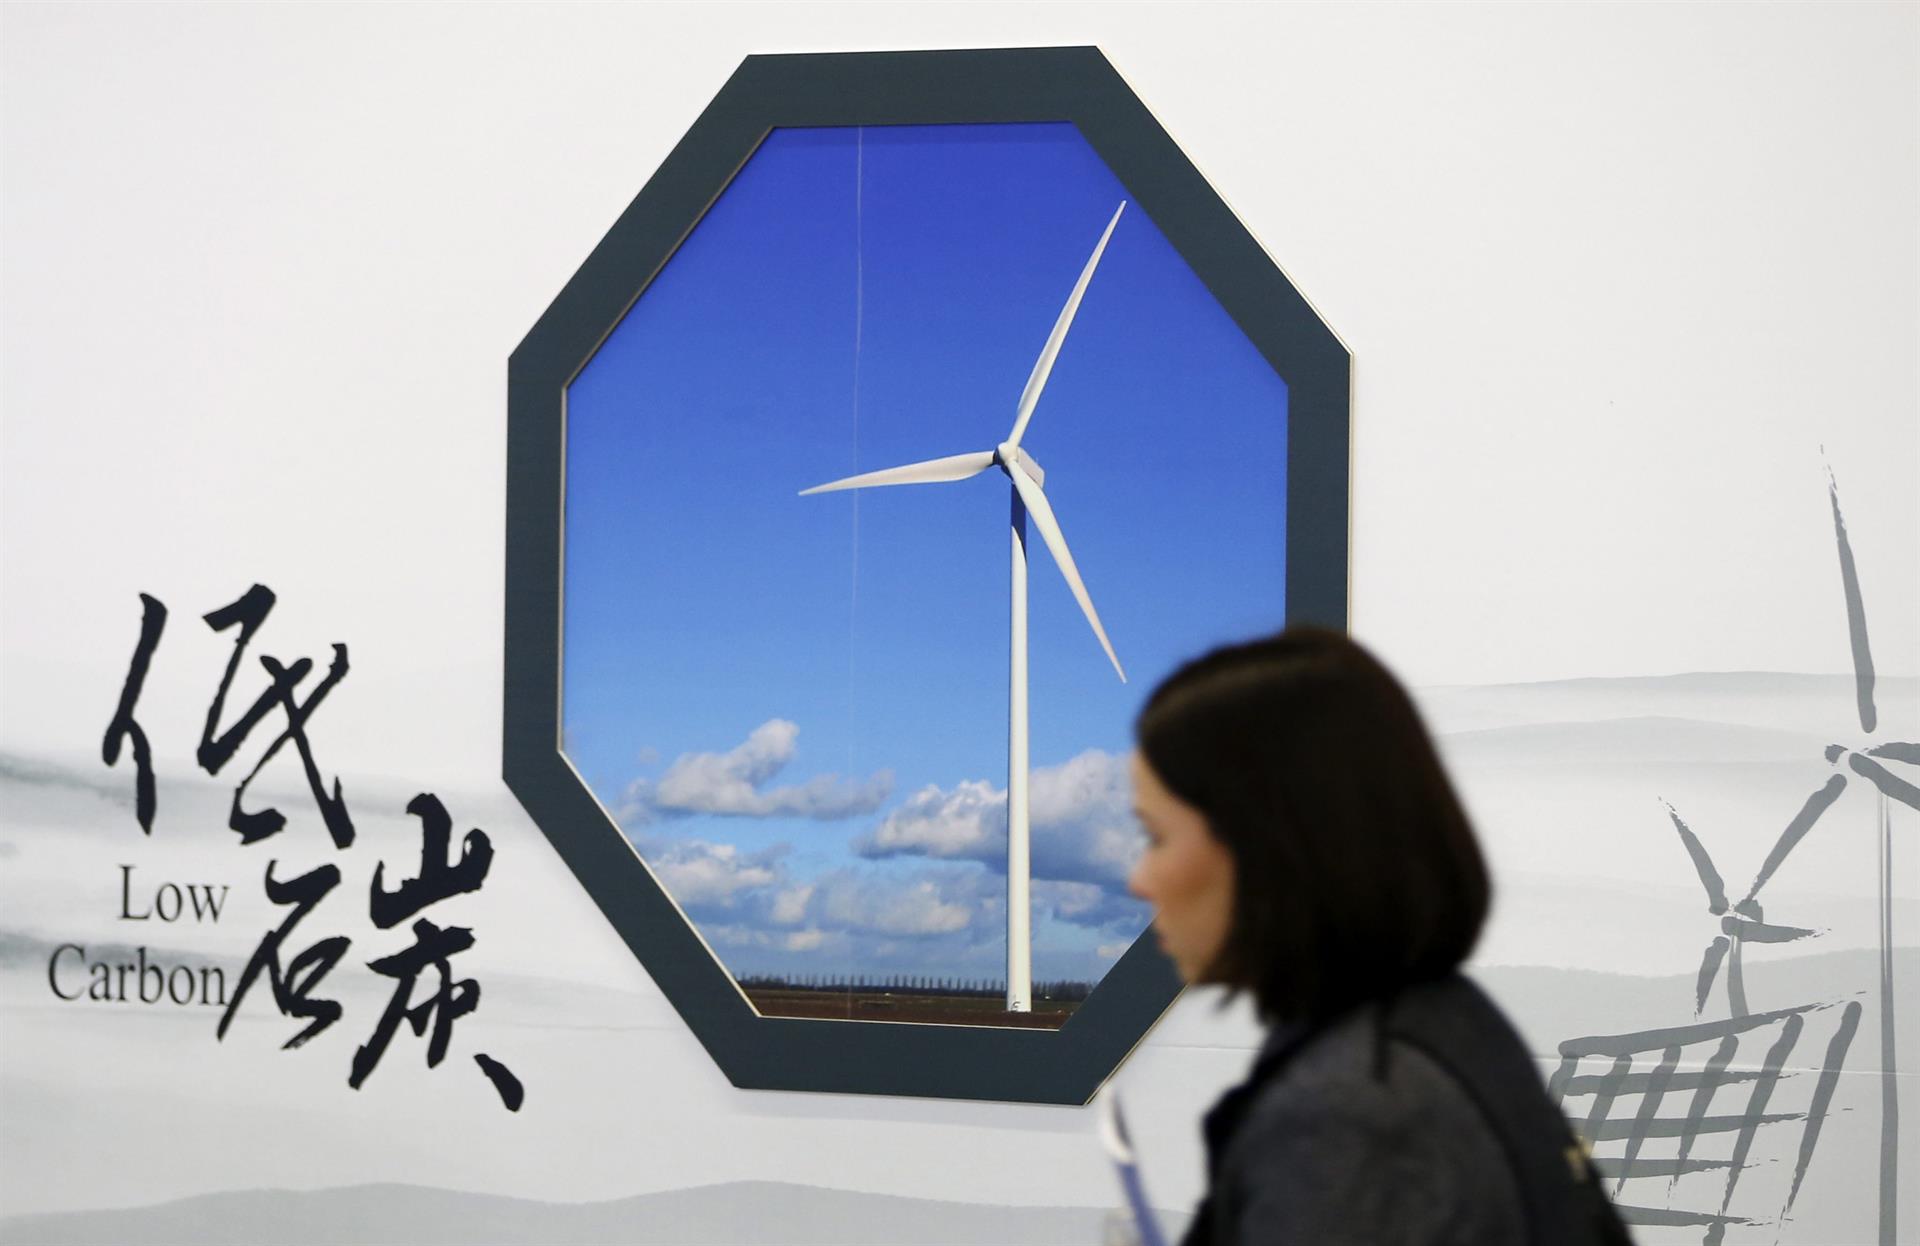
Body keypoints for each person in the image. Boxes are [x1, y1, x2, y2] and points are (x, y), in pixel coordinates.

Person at [1127, 628, 1632, 1246]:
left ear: (1268, 845)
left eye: (1155, 837)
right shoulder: (1438, 1028)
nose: (1140, 881)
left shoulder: (1355, 1119)